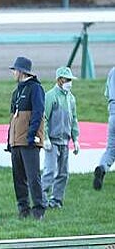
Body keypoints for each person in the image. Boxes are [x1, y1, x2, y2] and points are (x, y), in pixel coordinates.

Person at [7, 56, 46, 220]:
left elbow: (38, 113)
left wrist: (31, 136)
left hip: (29, 142)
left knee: (33, 177)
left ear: (22, 72)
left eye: (15, 70)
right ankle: (23, 209)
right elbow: (12, 118)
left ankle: (38, 209)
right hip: (16, 142)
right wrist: (9, 140)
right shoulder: (16, 92)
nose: (13, 73)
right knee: (18, 178)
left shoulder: (36, 89)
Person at [42, 66, 80, 208]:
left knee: (63, 173)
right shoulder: (50, 96)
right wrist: (45, 137)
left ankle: (56, 200)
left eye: (70, 80)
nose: (69, 83)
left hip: (65, 141)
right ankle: (41, 199)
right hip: (52, 141)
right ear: (59, 80)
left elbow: (74, 119)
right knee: (50, 171)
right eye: (66, 80)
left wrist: (75, 139)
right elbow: (44, 118)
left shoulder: (71, 98)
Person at [93, 66, 115, 190]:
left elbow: (107, 93)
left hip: (113, 114)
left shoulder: (112, 71)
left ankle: (102, 167)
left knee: (111, 149)